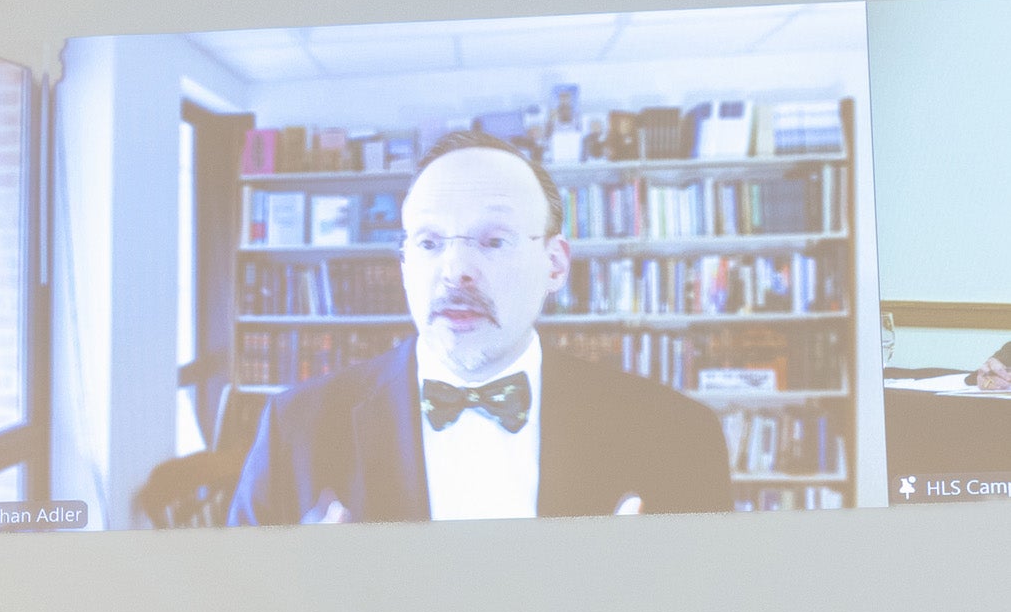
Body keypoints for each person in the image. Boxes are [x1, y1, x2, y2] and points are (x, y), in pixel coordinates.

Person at [228, 130, 732, 525]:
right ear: (403, 263)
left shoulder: (676, 434)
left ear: (555, 265)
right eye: (429, 243)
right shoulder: (294, 429)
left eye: (493, 241)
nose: (456, 270)